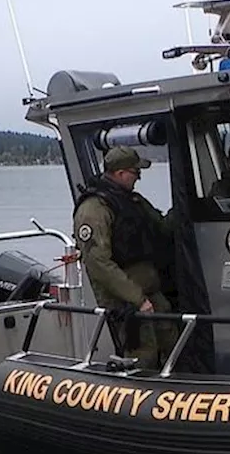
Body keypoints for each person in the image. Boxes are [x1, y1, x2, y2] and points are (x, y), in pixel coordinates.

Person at [73, 145, 179, 369]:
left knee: (172, 341)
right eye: (135, 173)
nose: (138, 178)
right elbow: (98, 263)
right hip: (127, 300)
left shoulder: (133, 201)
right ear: (120, 173)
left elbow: (162, 226)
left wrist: (182, 207)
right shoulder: (94, 209)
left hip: (150, 290)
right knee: (143, 352)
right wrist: (137, 298)